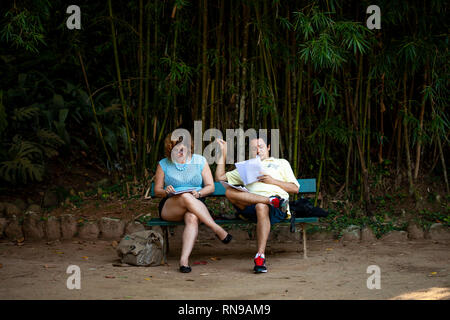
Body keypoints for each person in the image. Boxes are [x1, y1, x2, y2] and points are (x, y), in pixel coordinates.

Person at [215, 136, 299, 273]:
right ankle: (268, 200)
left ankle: (260, 255)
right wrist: (223, 153)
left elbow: (295, 189)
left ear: (268, 147)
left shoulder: (281, 163)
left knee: (261, 206)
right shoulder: (247, 166)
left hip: (277, 207)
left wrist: (272, 181)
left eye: (260, 147)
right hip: (251, 207)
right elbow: (220, 178)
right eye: (254, 148)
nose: (258, 150)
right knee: (229, 193)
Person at [154, 133, 232, 273]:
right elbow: (157, 190)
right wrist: (166, 191)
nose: (179, 152)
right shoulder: (164, 164)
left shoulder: (200, 161)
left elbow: (210, 186)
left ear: (189, 147)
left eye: (182, 149)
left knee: (192, 217)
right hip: (171, 206)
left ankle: (184, 261)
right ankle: (217, 229)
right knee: (185, 197)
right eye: (175, 149)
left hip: (195, 204)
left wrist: (199, 193)